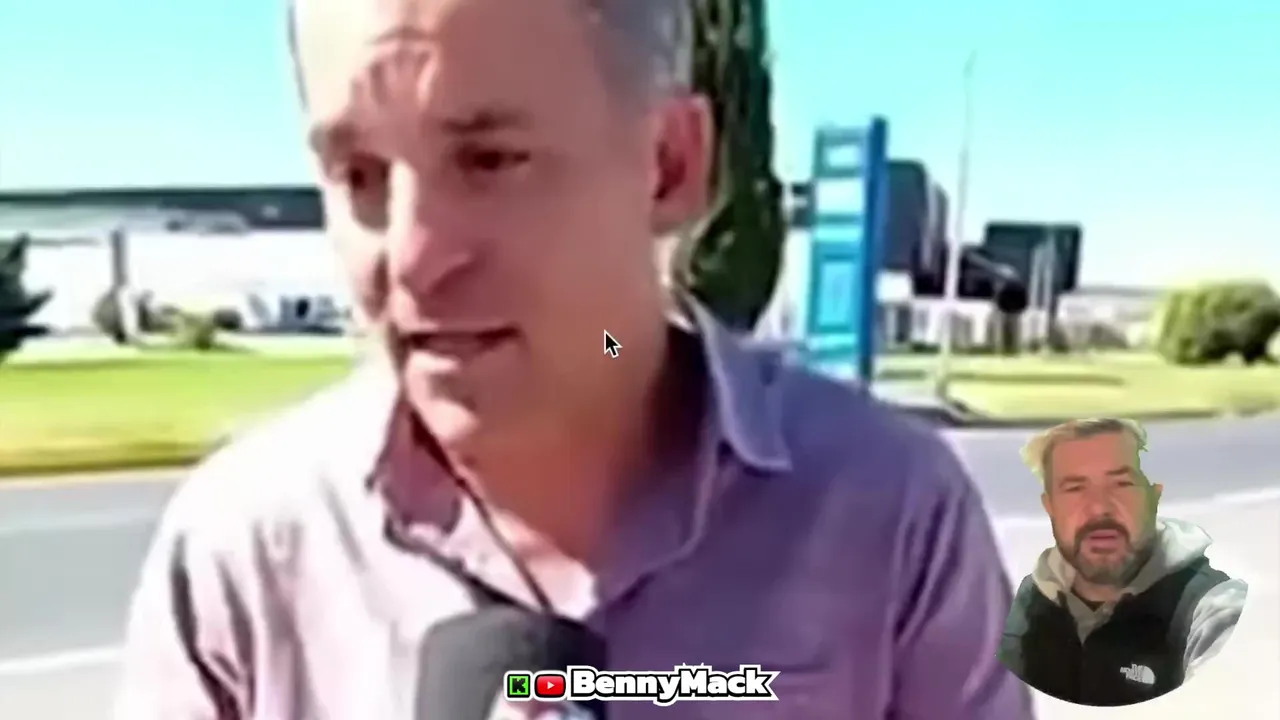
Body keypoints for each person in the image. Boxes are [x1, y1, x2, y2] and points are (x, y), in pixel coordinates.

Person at [115, 0, 1033, 717]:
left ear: (669, 164)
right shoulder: (243, 550)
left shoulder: (887, 514)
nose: (411, 254)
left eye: (490, 160)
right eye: (360, 176)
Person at [999, 417, 1248, 707]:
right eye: (1075, 488)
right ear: (1050, 506)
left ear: (1154, 497)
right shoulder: (1028, 601)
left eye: (1121, 484)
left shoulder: (1210, 606)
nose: (1099, 508)